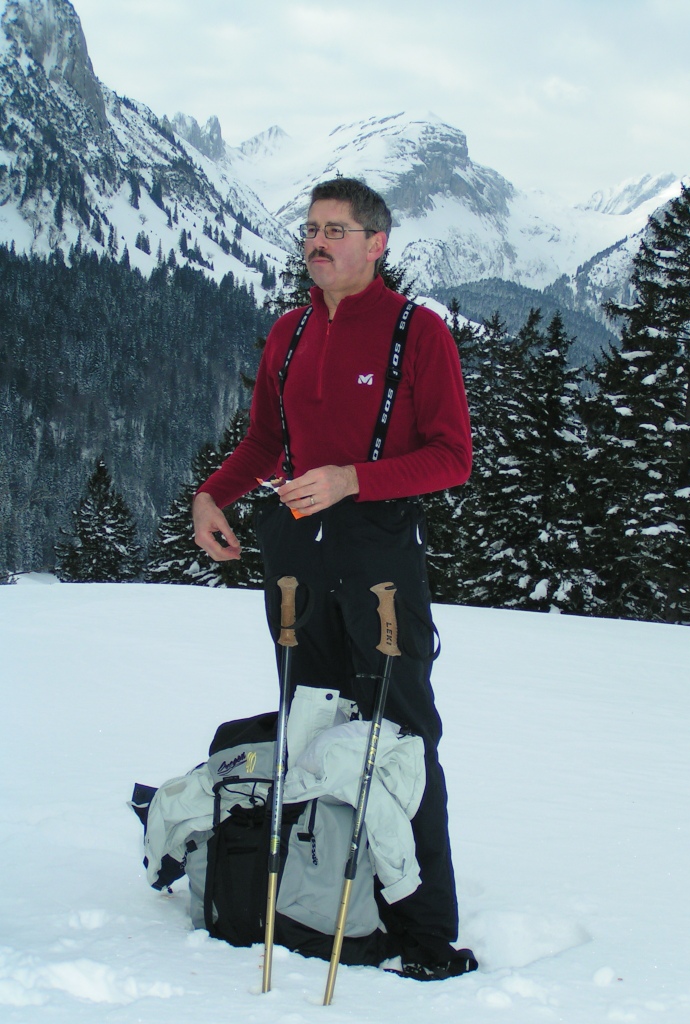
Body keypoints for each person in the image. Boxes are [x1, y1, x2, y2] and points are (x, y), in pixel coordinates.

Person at [192, 177, 476, 980]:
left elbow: (453, 456)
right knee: (310, 722)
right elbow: (263, 441)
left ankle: (424, 931)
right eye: (311, 229)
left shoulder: (418, 333)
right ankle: (317, 901)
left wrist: (355, 479)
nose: (317, 243)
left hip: (380, 555)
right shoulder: (289, 331)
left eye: (336, 230)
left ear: (376, 244)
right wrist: (213, 495)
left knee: (399, 735)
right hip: (295, 553)